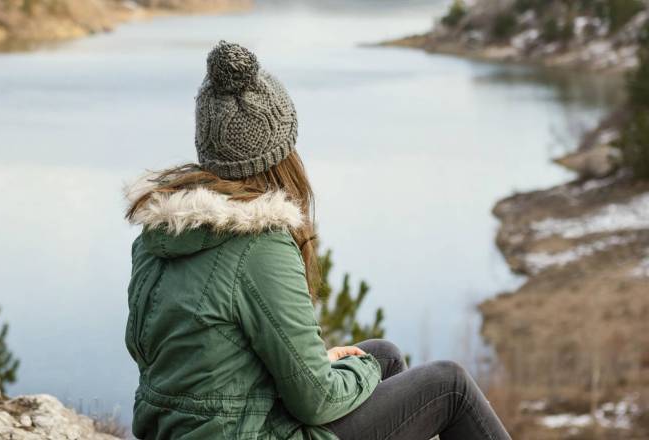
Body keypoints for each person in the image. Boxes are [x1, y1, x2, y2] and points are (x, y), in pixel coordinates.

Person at [123, 40, 511, 440]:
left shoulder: (161, 235)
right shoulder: (259, 245)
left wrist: (345, 365)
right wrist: (359, 370)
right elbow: (316, 401)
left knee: (385, 356)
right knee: (449, 385)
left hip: (186, 429)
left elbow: (198, 366)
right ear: (280, 152)